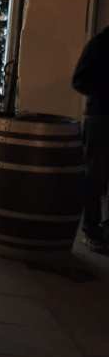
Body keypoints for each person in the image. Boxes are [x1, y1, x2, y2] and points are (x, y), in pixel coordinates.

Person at [72, 25, 109, 253]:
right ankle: (92, 229)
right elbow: (79, 80)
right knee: (96, 175)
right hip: (101, 117)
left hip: (101, 116)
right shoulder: (100, 44)